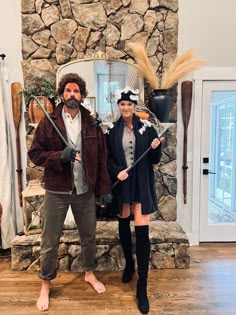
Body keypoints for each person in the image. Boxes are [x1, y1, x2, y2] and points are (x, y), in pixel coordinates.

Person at [28, 73, 112, 312]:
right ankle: (46, 283)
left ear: (82, 95)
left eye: (76, 91)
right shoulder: (49, 121)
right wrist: (58, 156)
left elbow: (102, 158)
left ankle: (89, 273)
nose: (72, 94)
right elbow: (34, 154)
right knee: (50, 239)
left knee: (88, 235)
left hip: (85, 189)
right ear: (62, 94)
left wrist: (104, 189)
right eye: (68, 91)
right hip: (57, 189)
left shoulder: (92, 122)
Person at [105, 87, 164, 314]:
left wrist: (157, 147)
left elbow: (154, 159)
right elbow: (107, 158)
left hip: (141, 183)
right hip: (123, 182)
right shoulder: (111, 130)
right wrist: (117, 170)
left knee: (141, 231)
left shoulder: (147, 129)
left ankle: (142, 286)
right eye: (122, 104)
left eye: (130, 104)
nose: (126, 108)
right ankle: (129, 263)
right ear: (118, 106)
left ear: (134, 106)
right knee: (123, 221)